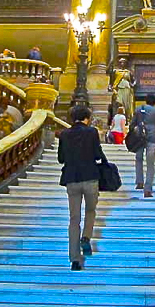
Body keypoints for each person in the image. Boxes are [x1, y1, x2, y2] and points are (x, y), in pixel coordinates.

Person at [58, 105, 107, 271]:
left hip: (72, 179)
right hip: (90, 177)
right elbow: (97, 154)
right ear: (87, 118)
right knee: (91, 211)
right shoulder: (92, 132)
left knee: (74, 219)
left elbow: (61, 158)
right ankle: (86, 237)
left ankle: (75, 259)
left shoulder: (64, 134)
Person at [129, 93, 155, 198]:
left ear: (146, 101)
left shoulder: (138, 109)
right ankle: (148, 189)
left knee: (138, 159)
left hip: (139, 139)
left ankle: (139, 182)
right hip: (152, 139)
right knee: (150, 164)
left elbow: (132, 125)